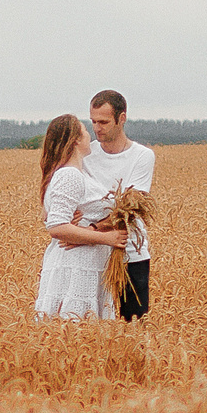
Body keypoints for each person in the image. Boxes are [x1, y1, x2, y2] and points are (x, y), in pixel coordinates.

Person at [35, 114, 125, 321]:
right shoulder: (70, 175)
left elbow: (53, 218)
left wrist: (94, 227)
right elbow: (56, 227)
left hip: (86, 264)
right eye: (85, 131)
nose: (90, 135)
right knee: (74, 329)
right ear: (75, 139)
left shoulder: (76, 173)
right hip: (76, 266)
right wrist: (107, 238)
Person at [82, 90, 155, 320]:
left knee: (133, 324)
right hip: (90, 252)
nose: (97, 128)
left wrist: (93, 228)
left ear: (122, 118)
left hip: (131, 252)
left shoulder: (142, 156)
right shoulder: (84, 153)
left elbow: (131, 209)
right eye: (93, 121)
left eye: (103, 122)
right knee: (89, 323)